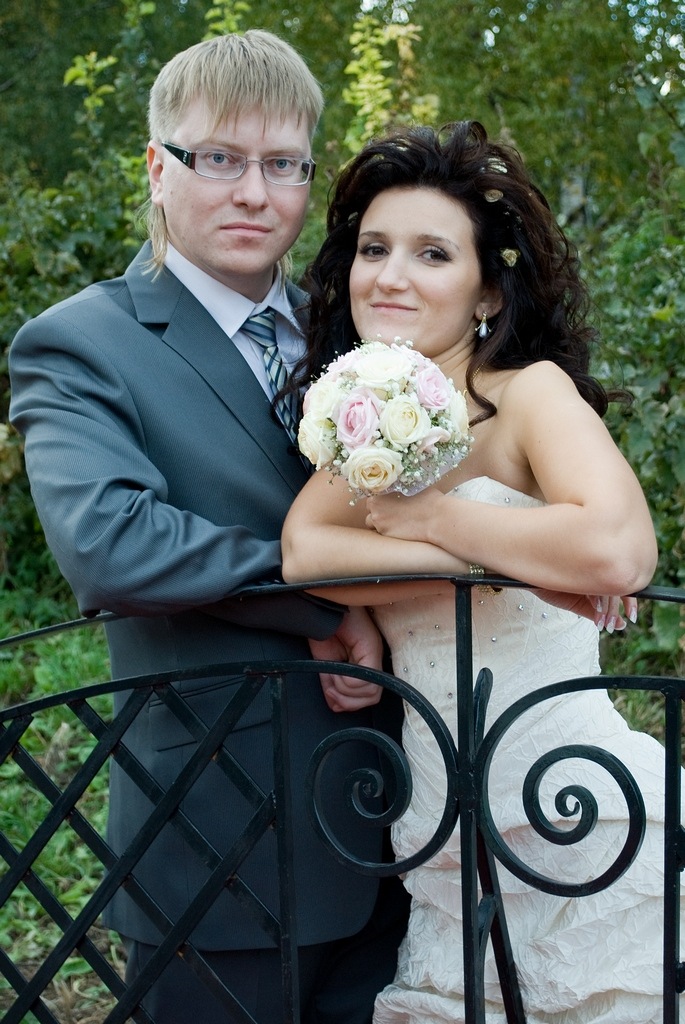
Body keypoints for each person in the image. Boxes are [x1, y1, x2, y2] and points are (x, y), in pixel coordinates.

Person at [8, 30, 410, 1024]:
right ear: (158, 167)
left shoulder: (361, 330)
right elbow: (113, 545)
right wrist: (327, 599)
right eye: (220, 159)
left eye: (283, 165)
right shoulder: (81, 342)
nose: (254, 194)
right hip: (222, 842)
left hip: (408, 818)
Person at [281, 120, 676, 1023]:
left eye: (431, 253)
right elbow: (306, 554)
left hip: (578, 806)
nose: (390, 275)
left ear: (487, 291)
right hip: (443, 832)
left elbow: (619, 550)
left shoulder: (528, 393)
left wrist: (430, 516)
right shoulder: (366, 424)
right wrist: (505, 566)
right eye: (373, 249)